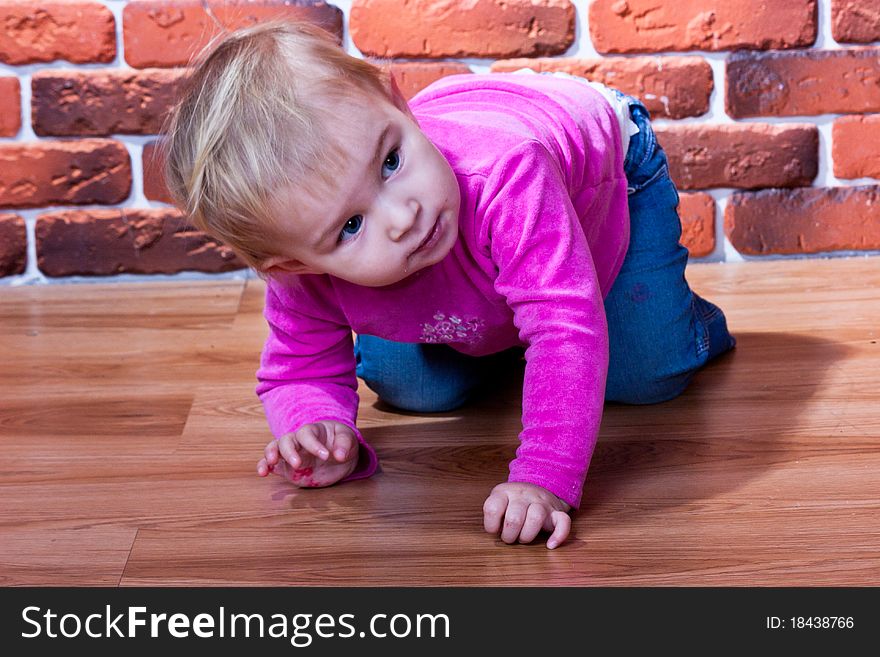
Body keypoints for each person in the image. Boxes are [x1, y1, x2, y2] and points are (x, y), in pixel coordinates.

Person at [163, 21, 736, 550]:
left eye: (389, 161)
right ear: (293, 266)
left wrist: (543, 479)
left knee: (646, 372)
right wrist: (317, 429)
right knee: (411, 389)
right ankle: (511, 324)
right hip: (491, 247)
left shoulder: (510, 173)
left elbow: (566, 330)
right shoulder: (303, 266)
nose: (404, 214)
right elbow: (298, 366)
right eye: (351, 226)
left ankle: (683, 321)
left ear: (396, 104)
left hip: (601, 167)